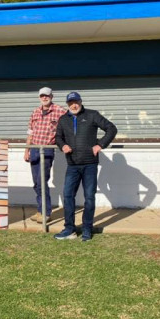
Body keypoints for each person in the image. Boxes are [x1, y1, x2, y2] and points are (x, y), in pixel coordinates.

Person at [55, 92, 117, 241]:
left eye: (76, 102)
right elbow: (58, 137)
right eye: (71, 103)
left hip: (90, 164)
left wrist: (100, 145)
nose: (74, 105)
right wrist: (63, 146)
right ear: (67, 104)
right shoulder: (63, 119)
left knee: (89, 197)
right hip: (72, 165)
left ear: (81, 102)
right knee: (68, 196)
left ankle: (87, 229)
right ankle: (69, 229)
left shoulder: (92, 115)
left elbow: (111, 128)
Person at [24, 87, 66, 223]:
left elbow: (70, 125)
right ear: (39, 97)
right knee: (36, 183)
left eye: (47, 95)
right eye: (42, 96)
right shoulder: (35, 112)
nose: (44, 98)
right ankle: (40, 210)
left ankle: (46, 213)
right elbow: (30, 132)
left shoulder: (60, 111)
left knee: (42, 181)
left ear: (51, 96)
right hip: (34, 149)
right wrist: (27, 150)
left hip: (47, 150)